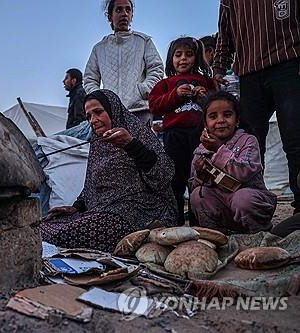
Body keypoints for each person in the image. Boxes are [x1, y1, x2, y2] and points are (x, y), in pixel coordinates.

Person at [40, 89, 178, 252]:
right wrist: (76, 207)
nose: (93, 120)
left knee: (65, 234)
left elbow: (165, 174)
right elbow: (92, 185)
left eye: (98, 112)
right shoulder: (98, 145)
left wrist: (131, 145)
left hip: (141, 210)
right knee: (44, 224)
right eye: (89, 116)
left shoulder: (138, 134)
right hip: (104, 210)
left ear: (114, 110)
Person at [213, 0, 300, 215]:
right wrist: (218, 67)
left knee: (295, 139)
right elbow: (225, 34)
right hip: (249, 73)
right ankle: (254, 205)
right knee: (250, 142)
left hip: (288, 63)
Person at [149, 37, 216, 225]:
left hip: (200, 136)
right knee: (175, 179)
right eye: (178, 55)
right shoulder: (165, 84)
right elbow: (154, 106)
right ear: (171, 59)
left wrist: (205, 97)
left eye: (189, 54)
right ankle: (176, 220)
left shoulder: (206, 81)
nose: (183, 59)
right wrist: (175, 95)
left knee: (199, 177)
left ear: (197, 58)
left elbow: (216, 104)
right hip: (174, 136)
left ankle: (199, 221)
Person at [190, 91, 277, 234]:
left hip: (249, 203)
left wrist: (218, 149)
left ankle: (260, 234)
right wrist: (200, 174)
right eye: (213, 117)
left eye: (227, 115)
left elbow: (245, 171)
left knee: (242, 198)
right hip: (223, 209)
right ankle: (217, 236)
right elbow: (195, 185)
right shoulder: (201, 150)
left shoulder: (248, 140)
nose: (220, 120)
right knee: (198, 195)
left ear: (237, 120)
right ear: (205, 123)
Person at [83, 0, 164, 126]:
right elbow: (89, 79)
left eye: (128, 10)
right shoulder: (99, 48)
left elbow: (156, 68)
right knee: (112, 145)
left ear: (132, 16)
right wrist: (101, 99)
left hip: (140, 111)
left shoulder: (143, 41)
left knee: (139, 146)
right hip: (110, 114)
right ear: (110, 16)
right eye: (119, 10)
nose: (124, 14)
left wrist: (143, 89)